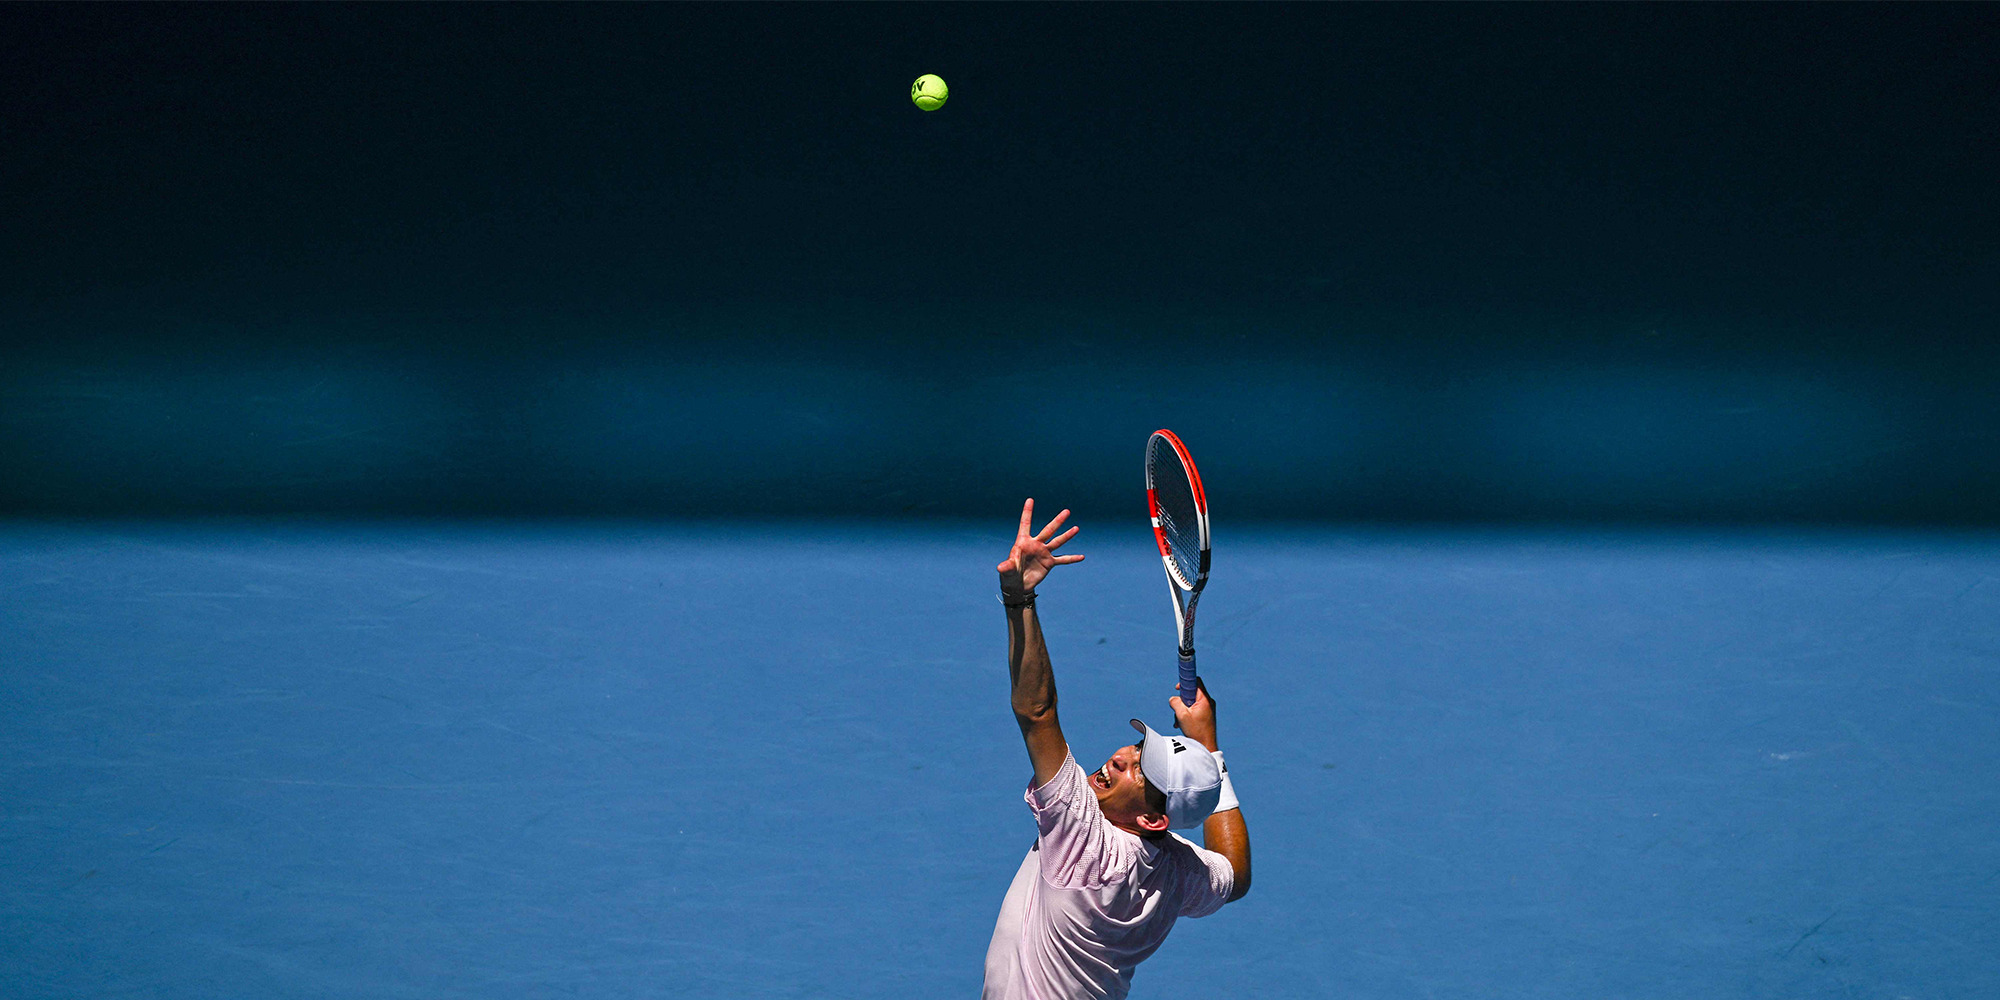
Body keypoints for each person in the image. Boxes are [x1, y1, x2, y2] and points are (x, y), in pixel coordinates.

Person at [982, 499, 1252, 1000]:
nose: (1118, 759)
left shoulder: (1084, 841)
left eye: (1138, 771)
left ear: (1153, 820)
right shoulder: (1174, 873)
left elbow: (1037, 713)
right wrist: (1209, 749)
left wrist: (1018, 600)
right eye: (1135, 747)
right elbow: (1234, 875)